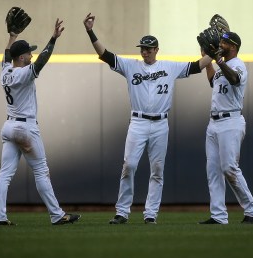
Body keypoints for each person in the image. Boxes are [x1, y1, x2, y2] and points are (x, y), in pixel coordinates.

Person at [83, 12, 214, 224]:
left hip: (161, 124)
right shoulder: (131, 65)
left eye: (148, 48)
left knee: (157, 171)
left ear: (156, 50)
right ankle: (122, 212)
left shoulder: (169, 67)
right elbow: (105, 55)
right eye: (142, 48)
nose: (144, 51)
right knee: (129, 166)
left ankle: (150, 214)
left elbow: (196, 66)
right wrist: (90, 31)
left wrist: (215, 53)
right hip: (138, 122)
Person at [0, 17, 81, 226]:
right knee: (41, 170)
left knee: (4, 174)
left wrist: (12, 36)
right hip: (25, 127)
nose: (31, 55)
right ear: (22, 57)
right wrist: (53, 39)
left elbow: (6, 56)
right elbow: (41, 61)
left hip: (9, 126)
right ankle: (57, 215)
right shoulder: (24, 73)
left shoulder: (5, 72)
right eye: (29, 52)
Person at [198, 31, 253, 224]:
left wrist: (219, 61)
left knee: (229, 168)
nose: (220, 44)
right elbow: (212, 81)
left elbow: (234, 79)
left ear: (233, 47)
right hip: (214, 123)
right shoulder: (221, 66)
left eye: (224, 42)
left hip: (231, 121)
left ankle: (252, 211)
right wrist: (207, 61)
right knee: (213, 170)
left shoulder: (237, 64)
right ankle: (218, 215)